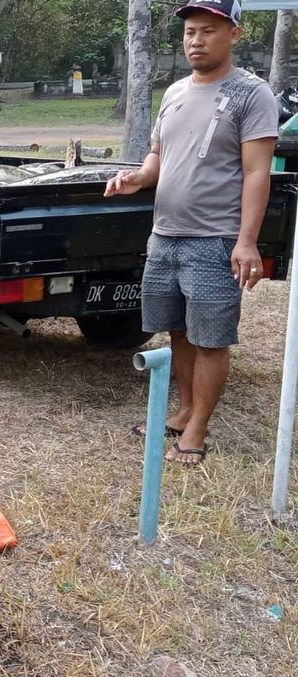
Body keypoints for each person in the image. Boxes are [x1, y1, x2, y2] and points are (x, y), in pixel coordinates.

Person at [104, 0, 278, 466]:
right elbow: (158, 159)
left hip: (216, 239)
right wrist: (136, 179)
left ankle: (199, 425)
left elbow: (257, 172)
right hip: (165, 236)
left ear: (234, 33)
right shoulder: (176, 91)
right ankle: (182, 411)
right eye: (189, 33)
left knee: (211, 338)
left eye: (207, 31)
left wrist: (246, 241)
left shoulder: (252, 94)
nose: (195, 41)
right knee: (178, 332)